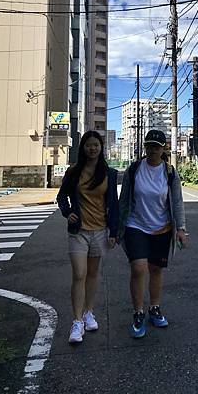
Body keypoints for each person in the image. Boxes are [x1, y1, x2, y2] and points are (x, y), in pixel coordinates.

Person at [118, 129, 188, 338]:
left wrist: (181, 229)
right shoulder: (134, 169)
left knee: (156, 270)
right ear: (145, 147)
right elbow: (124, 200)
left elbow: (177, 201)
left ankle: (154, 308)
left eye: (156, 147)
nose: (152, 150)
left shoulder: (170, 172)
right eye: (149, 146)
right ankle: (138, 312)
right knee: (139, 269)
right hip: (135, 225)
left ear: (163, 148)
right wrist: (117, 228)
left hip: (163, 227)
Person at [57, 130, 119, 344]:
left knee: (93, 274)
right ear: (82, 148)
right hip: (78, 231)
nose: (92, 148)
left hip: (100, 230)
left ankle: (89, 312)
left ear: (101, 148)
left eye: (96, 145)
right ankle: (76, 321)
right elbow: (61, 196)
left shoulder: (108, 173)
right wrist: (68, 212)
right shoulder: (74, 172)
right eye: (88, 145)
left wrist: (114, 231)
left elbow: (114, 204)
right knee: (79, 274)